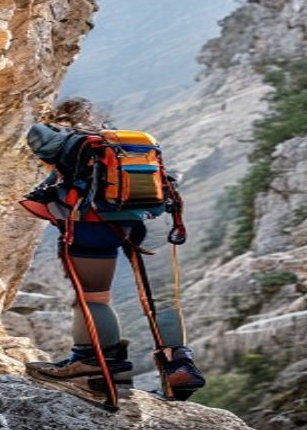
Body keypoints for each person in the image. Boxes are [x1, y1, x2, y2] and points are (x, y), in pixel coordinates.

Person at [21, 102, 206, 402]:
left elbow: (38, 139)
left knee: (94, 296)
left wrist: (47, 127)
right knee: (161, 300)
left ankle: (94, 364)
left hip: (93, 227)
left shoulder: (69, 142)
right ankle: (179, 366)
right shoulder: (128, 144)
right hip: (145, 220)